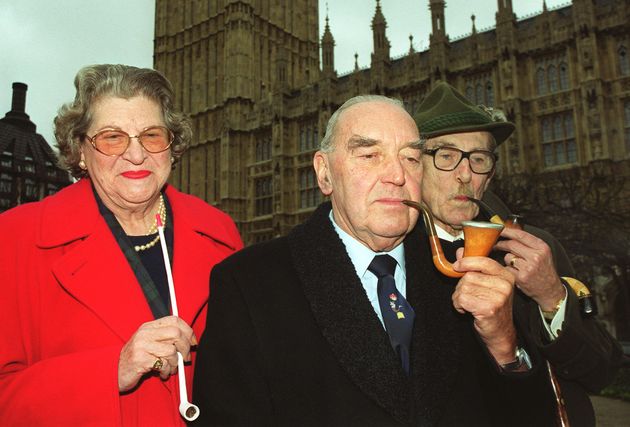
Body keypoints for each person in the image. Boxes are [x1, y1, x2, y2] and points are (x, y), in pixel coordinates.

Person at [193, 95, 558, 426]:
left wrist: (503, 344)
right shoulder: (251, 283)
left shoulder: (465, 270)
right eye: (369, 156)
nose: (397, 176)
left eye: (411, 158)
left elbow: (531, 415)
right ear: (324, 173)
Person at [0, 64, 243, 426]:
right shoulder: (16, 239)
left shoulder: (220, 233)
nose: (136, 154)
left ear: (172, 147)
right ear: (81, 150)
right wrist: (112, 369)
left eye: (152, 135)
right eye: (112, 137)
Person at [413, 81, 623, 427]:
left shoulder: (535, 248)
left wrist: (552, 296)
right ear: (414, 166)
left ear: (491, 173)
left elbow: (601, 371)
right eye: (446, 156)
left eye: (478, 159)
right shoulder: (388, 257)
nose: (465, 175)